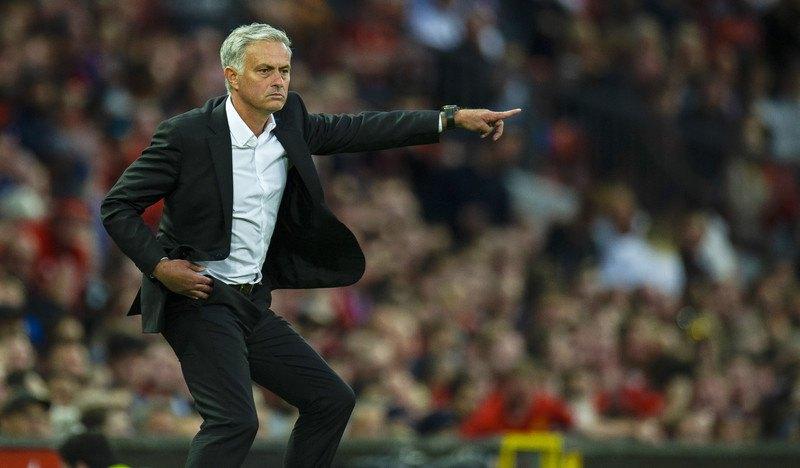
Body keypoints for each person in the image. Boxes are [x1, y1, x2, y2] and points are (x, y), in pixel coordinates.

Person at [100, 22, 520, 468]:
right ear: (232, 76)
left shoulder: (290, 122)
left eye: (284, 70)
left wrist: (450, 118)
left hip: (249, 301)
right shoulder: (186, 135)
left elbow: (362, 129)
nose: (278, 80)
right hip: (197, 297)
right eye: (264, 70)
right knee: (235, 421)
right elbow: (117, 206)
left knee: (331, 401)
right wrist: (161, 266)